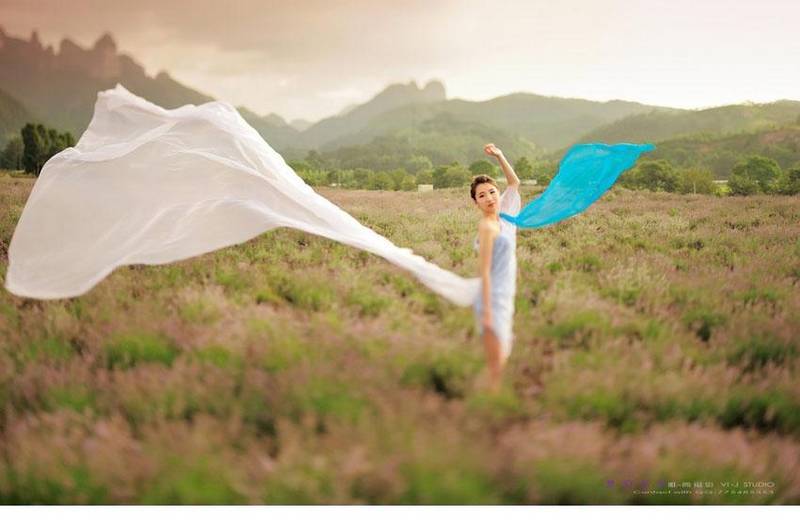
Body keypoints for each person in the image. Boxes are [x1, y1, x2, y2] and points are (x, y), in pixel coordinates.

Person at [470, 143, 522, 392]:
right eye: (482, 195)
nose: (489, 197)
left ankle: (492, 400)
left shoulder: (507, 215)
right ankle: (490, 409)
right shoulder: (487, 227)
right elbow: (484, 272)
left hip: (507, 293)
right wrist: (488, 310)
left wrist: (500, 155)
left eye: (492, 192)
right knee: (496, 364)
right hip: (492, 297)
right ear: (476, 203)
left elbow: (514, 184)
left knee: (502, 358)